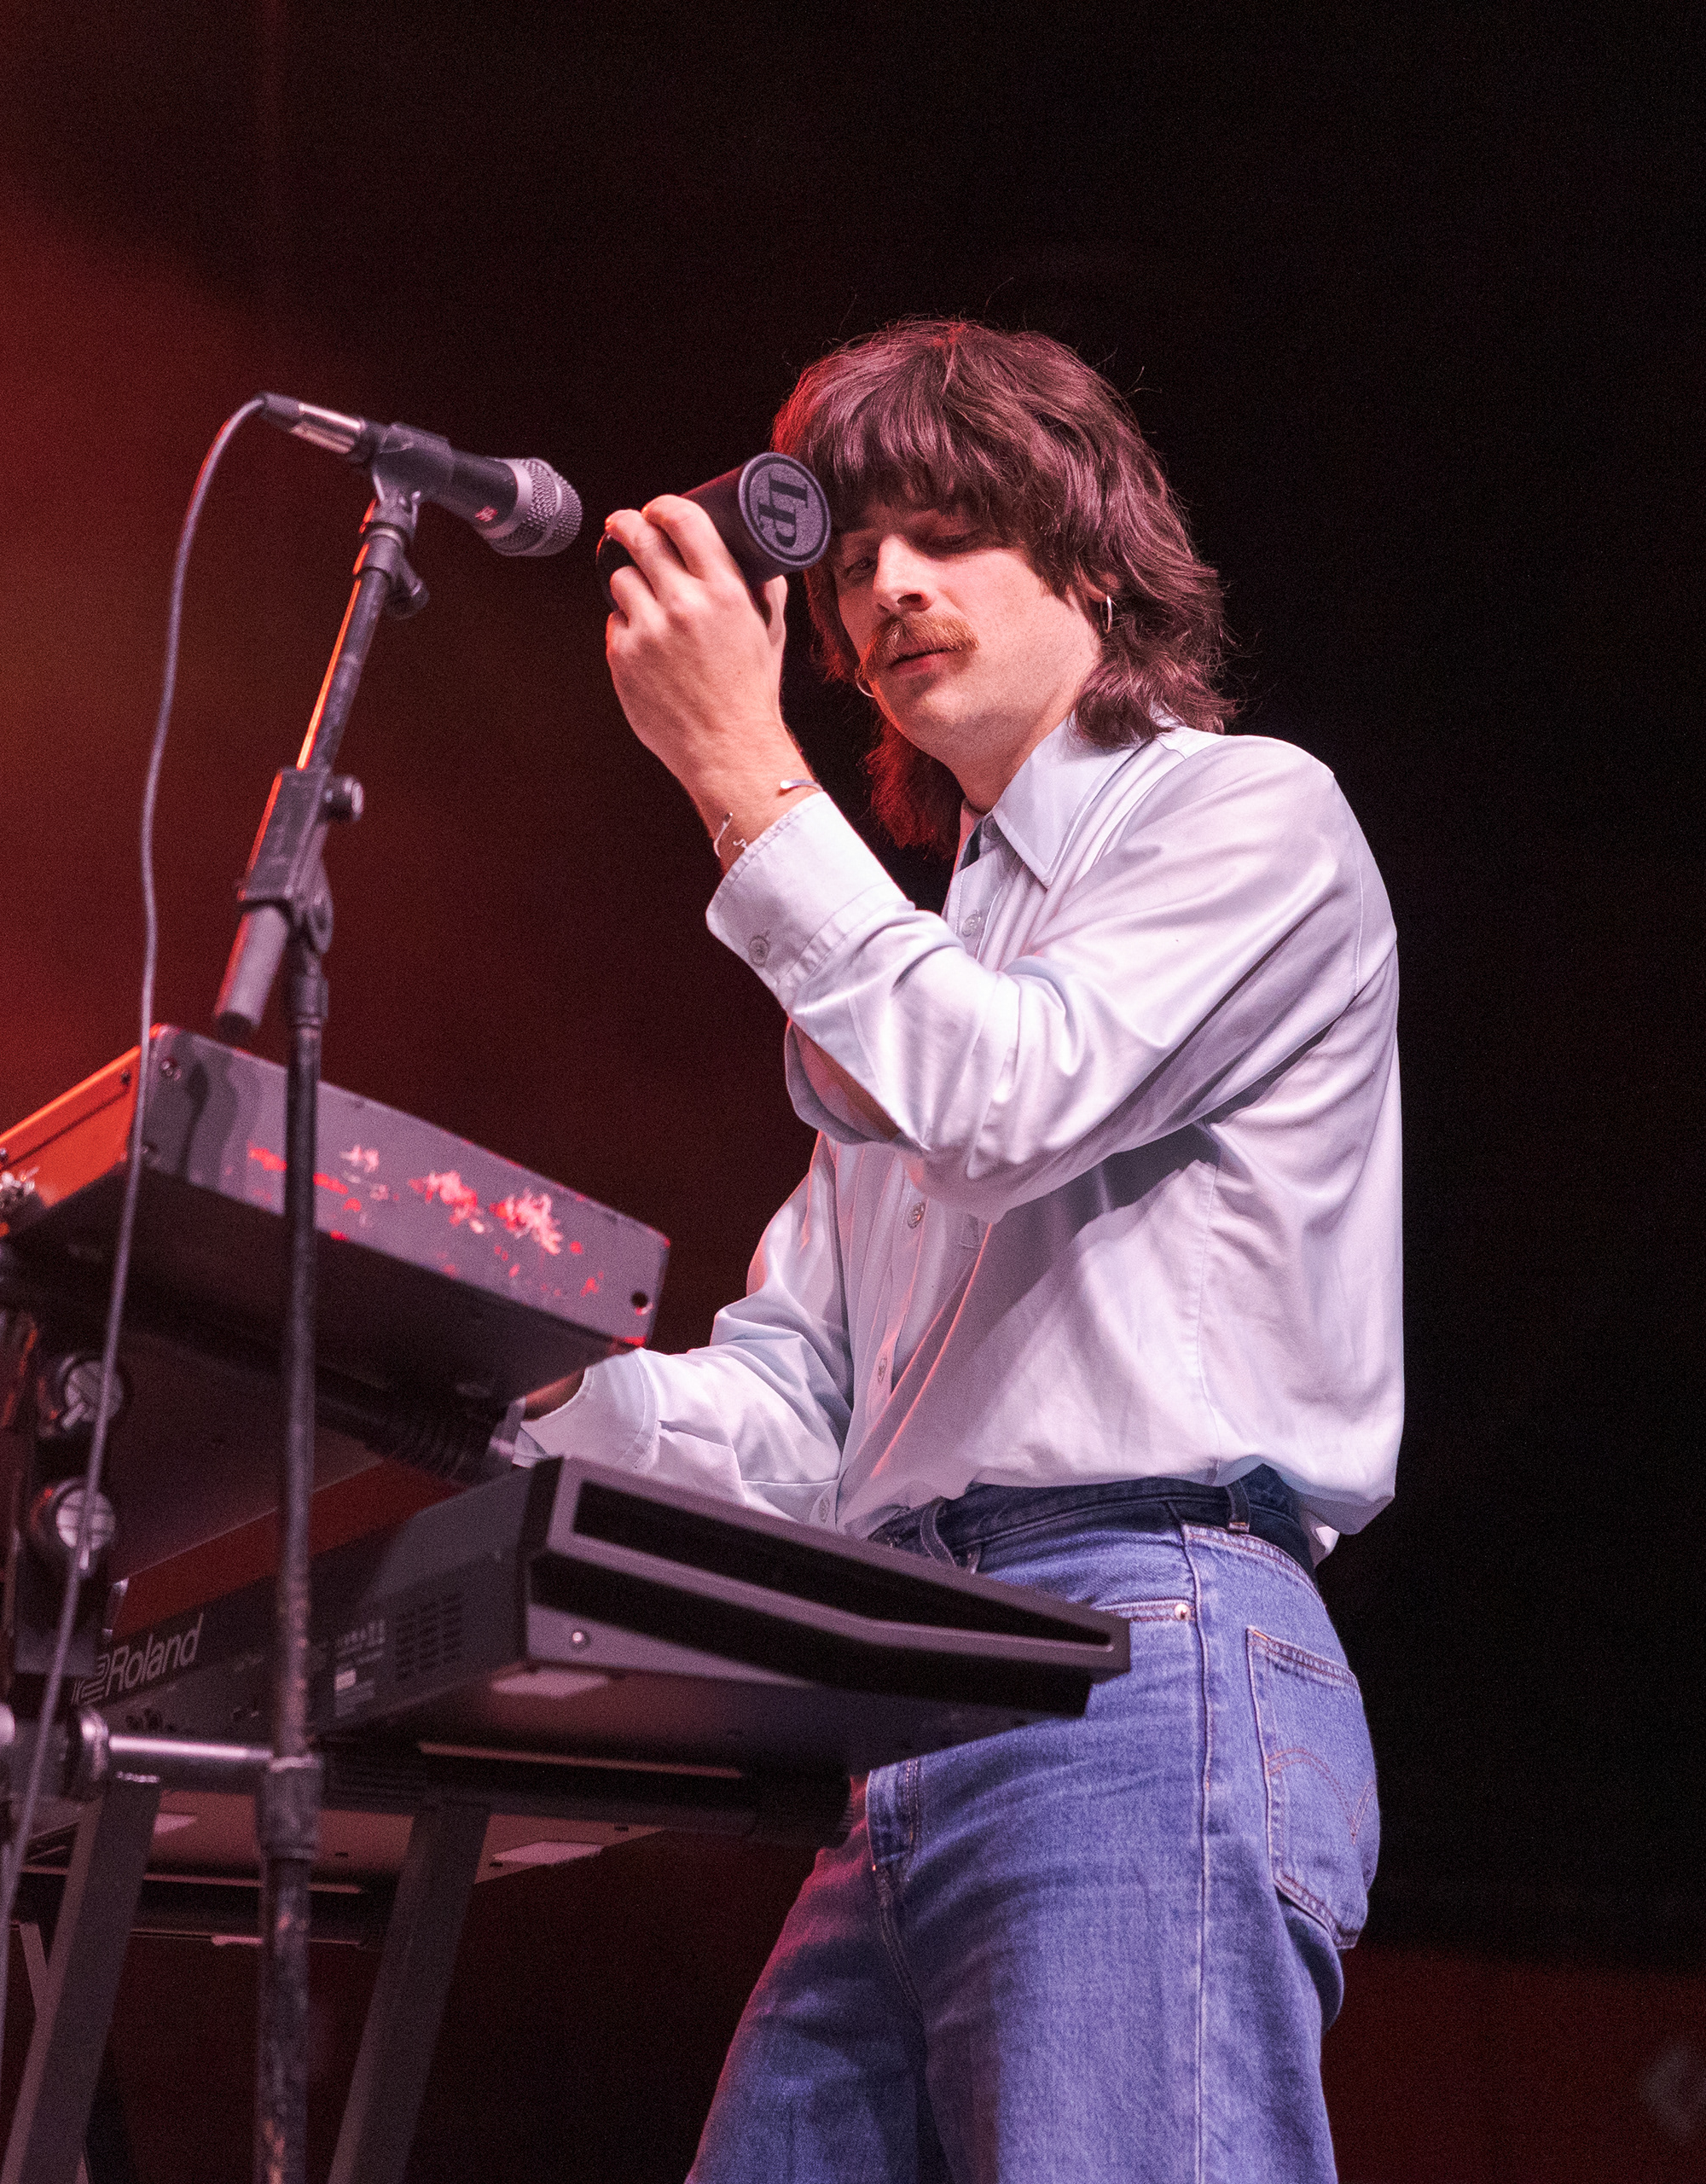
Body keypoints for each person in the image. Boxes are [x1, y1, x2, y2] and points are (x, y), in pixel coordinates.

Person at [519, 319, 1401, 2182]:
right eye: (848, 566)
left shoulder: (1249, 817)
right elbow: (797, 1405)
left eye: (945, 532)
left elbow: (1016, 1095)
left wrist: (746, 784)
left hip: (1142, 1649)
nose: (889, 589)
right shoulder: (913, 968)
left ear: (1090, 550)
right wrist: (494, 1398)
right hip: (914, 1697)